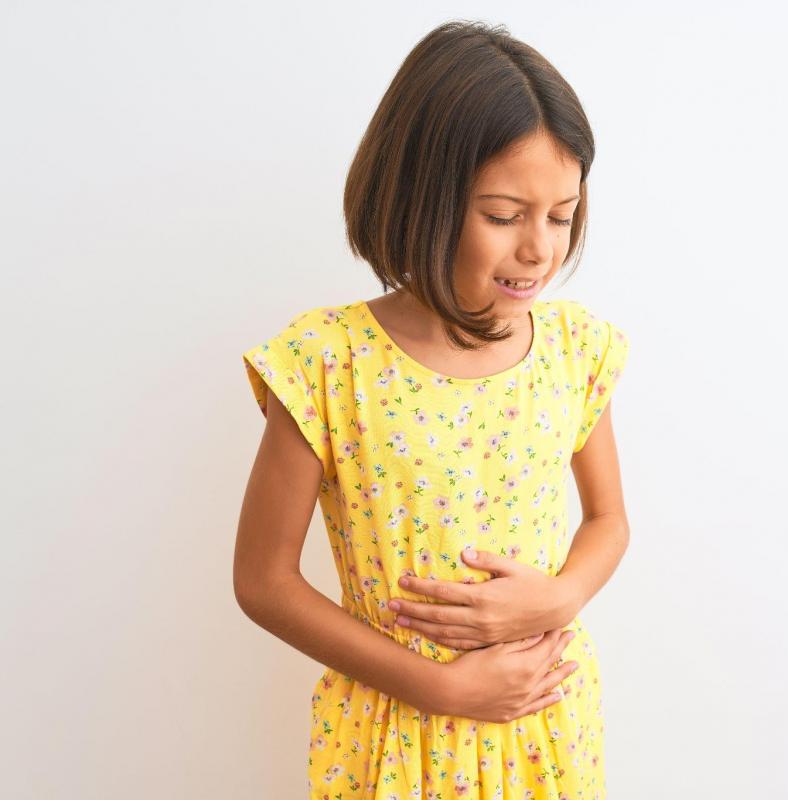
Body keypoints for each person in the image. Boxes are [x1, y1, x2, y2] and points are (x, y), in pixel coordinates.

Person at [233, 19, 631, 800]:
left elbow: (609, 519)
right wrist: (438, 687)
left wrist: (565, 593)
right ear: (424, 195)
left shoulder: (574, 349)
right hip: (395, 732)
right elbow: (262, 580)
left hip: (544, 722)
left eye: (560, 215)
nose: (539, 250)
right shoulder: (328, 361)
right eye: (503, 214)